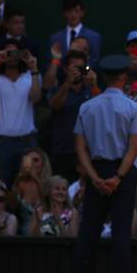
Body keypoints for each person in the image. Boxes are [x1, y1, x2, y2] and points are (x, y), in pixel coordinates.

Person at [73, 54, 137, 273]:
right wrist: (117, 177)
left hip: (96, 172)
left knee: (88, 233)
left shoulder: (87, 107)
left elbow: (80, 148)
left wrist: (95, 178)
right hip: (121, 174)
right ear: (124, 77)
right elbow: (133, 149)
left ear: (103, 77)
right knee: (121, 235)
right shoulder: (133, 107)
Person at [0, 40, 41, 184]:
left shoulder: (30, 76)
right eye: (8, 53)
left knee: (28, 182)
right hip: (1, 141)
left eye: (16, 53)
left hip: (27, 139)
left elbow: (36, 98)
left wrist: (33, 69)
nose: (12, 56)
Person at [48, 50, 99, 183]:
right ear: (65, 69)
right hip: (62, 150)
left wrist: (94, 85)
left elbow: (101, 110)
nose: (77, 71)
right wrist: (67, 83)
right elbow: (55, 105)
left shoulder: (90, 90)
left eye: (80, 68)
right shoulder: (58, 88)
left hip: (87, 151)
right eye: (73, 68)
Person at [49, 0, 102, 68]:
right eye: (70, 11)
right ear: (64, 14)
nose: (73, 15)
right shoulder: (55, 38)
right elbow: (52, 62)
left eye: (77, 11)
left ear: (82, 13)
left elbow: (94, 63)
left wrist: (84, 70)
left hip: (84, 77)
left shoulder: (94, 37)